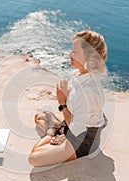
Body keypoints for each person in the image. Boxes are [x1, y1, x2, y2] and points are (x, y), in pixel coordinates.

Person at [28, 30, 108, 167]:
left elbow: (76, 130)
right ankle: (58, 129)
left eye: (75, 52)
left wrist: (62, 103)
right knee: (39, 116)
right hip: (73, 124)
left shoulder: (89, 91)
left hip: (83, 139)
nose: (70, 54)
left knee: (34, 157)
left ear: (88, 57)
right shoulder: (79, 75)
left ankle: (52, 132)